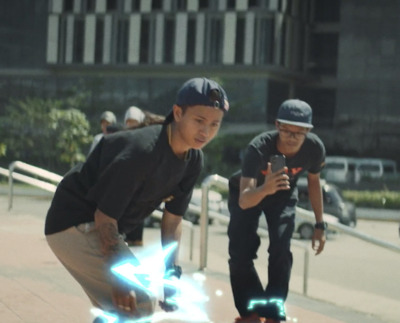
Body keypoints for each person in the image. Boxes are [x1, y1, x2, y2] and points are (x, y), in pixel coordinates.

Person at [44, 77, 229, 322]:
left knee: (122, 309)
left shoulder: (193, 160)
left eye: (215, 124)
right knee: (138, 300)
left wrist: (170, 276)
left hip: (97, 226)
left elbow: (172, 221)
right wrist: (118, 277)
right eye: (199, 120)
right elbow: (104, 217)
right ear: (178, 112)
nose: (206, 131)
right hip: (73, 223)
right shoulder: (144, 151)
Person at [227, 99, 326, 323]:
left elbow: (314, 183)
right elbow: (244, 200)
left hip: (282, 193)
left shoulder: (314, 148)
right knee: (240, 254)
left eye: (298, 132)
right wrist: (265, 188)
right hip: (249, 193)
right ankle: (250, 312)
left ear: (308, 131)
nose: (291, 137)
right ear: (276, 125)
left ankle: (272, 314)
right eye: (286, 130)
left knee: (281, 251)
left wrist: (320, 225)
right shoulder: (258, 147)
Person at [122, 106, 164, 247]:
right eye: (129, 121)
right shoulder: (122, 139)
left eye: (134, 121)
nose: (131, 125)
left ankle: (136, 240)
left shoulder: (148, 140)